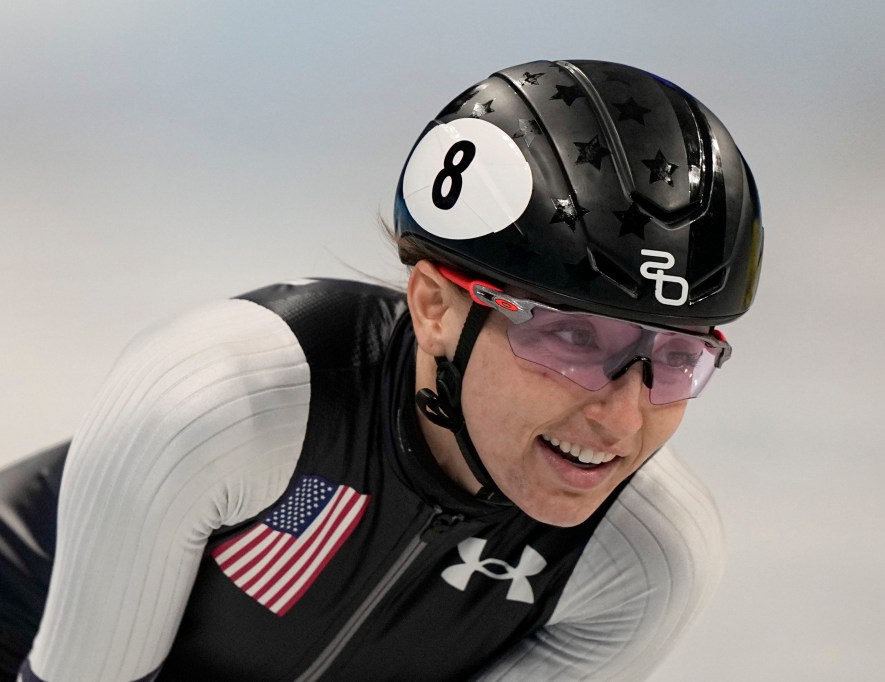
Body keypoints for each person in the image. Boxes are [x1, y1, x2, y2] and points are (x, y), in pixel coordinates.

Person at [0, 58, 763, 681]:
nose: (622, 421)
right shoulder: (225, 405)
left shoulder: (642, 559)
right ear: (435, 306)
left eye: (675, 358)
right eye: (571, 340)